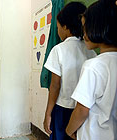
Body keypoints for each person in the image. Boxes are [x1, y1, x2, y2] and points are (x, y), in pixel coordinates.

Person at [43, 2, 97, 140]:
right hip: (84, 111)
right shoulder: (91, 52)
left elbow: (55, 86)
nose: (58, 31)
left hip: (62, 109)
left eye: (58, 27)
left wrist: (48, 113)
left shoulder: (59, 50)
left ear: (66, 27)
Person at [66, 0, 117, 139]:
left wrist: (69, 130)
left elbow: (82, 109)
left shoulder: (93, 65)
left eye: (85, 28)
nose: (83, 35)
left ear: (98, 27)